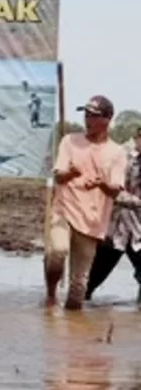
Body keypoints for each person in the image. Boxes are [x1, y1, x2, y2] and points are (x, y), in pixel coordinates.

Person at [45, 95, 126, 310]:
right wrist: (70, 173)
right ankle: (51, 294)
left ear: (107, 119)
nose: (88, 120)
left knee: (79, 285)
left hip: (92, 220)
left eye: (94, 116)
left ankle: (73, 336)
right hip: (64, 208)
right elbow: (59, 176)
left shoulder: (117, 152)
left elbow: (116, 190)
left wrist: (101, 184)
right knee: (57, 252)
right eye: (86, 115)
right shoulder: (70, 141)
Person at [85, 126, 141, 304]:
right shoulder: (122, 156)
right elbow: (109, 184)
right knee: (91, 279)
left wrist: (116, 194)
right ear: (137, 137)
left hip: (138, 230)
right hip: (113, 228)